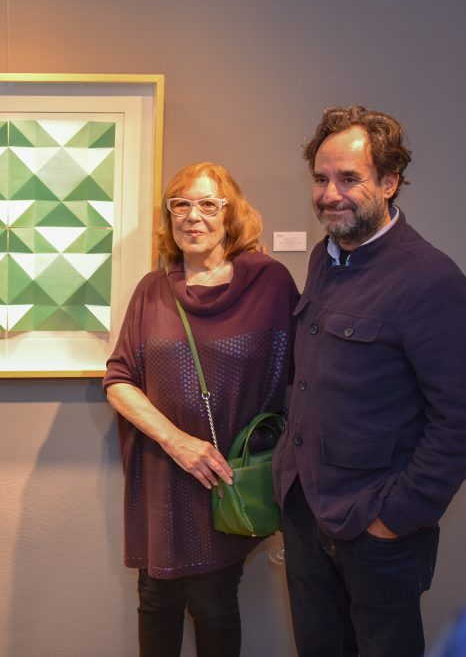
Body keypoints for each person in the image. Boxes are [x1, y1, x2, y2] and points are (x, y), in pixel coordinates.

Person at [273, 105, 466, 657]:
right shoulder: (325, 258)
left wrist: (393, 520)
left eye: (349, 178)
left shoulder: (433, 282)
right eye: (321, 179)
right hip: (306, 511)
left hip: (376, 527)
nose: (330, 194)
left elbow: (460, 425)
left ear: (390, 182)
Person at [105, 162, 298, 656]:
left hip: (227, 476)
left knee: (213, 603)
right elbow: (119, 380)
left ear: (231, 214)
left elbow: (302, 372)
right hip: (162, 472)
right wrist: (177, 442)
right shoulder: (152, 290)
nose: (193, 216)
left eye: (209, 204)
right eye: (181, 204)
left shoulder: (269, 284)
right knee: (156, 599)